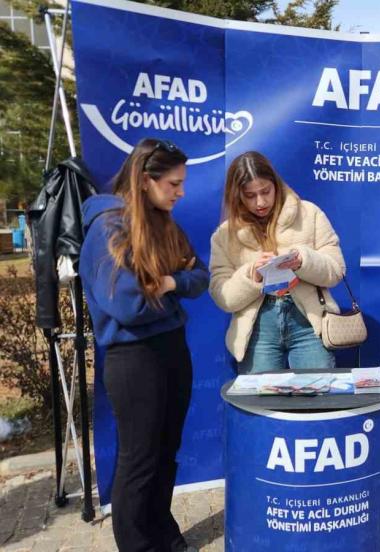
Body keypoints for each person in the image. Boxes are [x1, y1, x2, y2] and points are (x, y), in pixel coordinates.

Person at [79, 138, 209, 552]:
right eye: (173, 183)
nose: (181, 192)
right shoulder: (108, 228)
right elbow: (128, 305)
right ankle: (138, 544)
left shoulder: (165, 224)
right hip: (134, 357)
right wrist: (171, 291)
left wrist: (168, 282)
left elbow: (200, 277)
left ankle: (161, 531)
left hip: (173, 350)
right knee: (140, 459)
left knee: (166, 451)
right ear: (144, 180)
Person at [209, 151, 345, 372]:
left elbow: (336, 271)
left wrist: (302, 260)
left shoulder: (309, 214)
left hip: (309, 323)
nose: (260, 202)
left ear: (276, 185)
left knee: (316, 391)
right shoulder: (224, 235)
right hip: (257, 329)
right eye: (250, 195)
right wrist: (252, 275)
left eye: (266, 191)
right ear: (237, 195)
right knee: (261, 394)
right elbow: (222, 296)